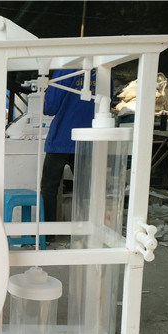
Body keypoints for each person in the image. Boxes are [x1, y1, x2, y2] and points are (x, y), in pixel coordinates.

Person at [40, 69, 98, 230]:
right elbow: (108, 102)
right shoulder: (103, 71)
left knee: (49, 188)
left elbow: (49, 107)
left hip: (62, 137)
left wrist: (45, 96)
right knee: (87, 189)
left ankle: (48, 233)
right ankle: (87, 232)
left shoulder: (65, 70)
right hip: (89, 139)